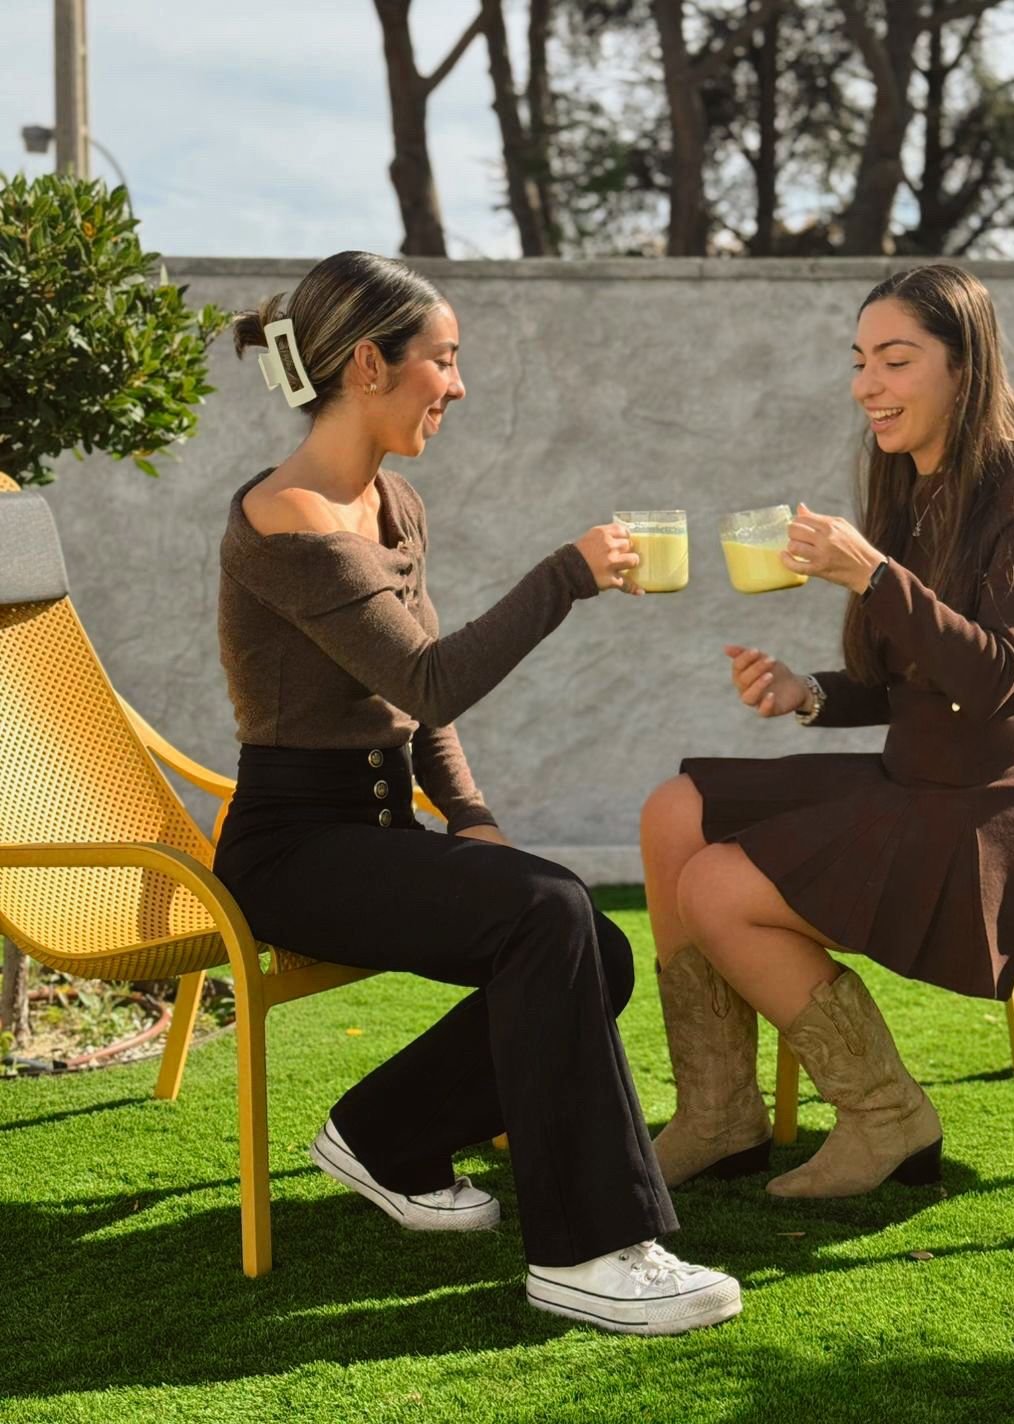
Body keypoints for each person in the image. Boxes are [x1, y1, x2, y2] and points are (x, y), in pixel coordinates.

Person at [212, 249, 740, 1335]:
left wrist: (474, 818)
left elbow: (416, 703)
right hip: (290, 847)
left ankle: (385, 1136)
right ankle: (587, 1252)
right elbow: (429, 678)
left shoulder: (390, 502)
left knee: (593, 943)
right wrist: (566, 575)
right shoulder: (287, 519)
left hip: (375, 828)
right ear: (370, 365)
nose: (457, 385)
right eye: (443, 360)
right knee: (549, 913)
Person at [641, 262, 1014, 1201]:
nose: (866, 386)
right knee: (673, 811)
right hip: (913, 781)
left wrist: (873, 576)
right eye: (859, 362)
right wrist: (806, 693)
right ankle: (719, 1114)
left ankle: (887, 1113)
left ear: (964, 367)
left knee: (716, 886)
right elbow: (906, 682)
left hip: (989, 818)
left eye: (895, 360)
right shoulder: (913, 486)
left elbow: (992, 678)